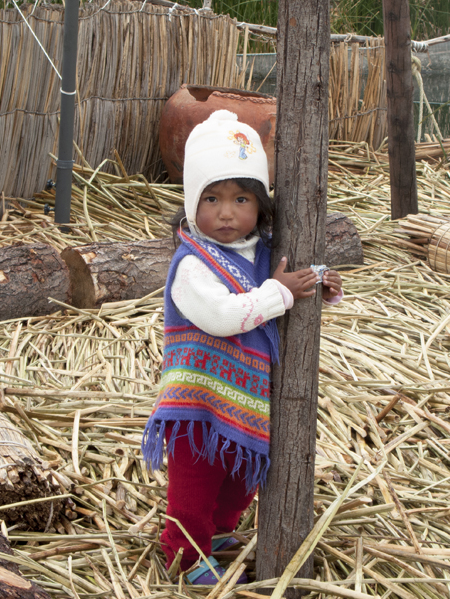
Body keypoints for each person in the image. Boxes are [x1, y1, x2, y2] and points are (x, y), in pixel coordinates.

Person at [142, 110, 343, 584]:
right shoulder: (192, 264)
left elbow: (286, 292)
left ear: (261, 204)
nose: (227, 212)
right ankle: (184, 557)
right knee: (193, 489)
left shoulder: (263, 250)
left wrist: (320, 286)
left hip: (245, 402)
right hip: (197, 405)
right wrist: (281, 291)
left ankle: (216, 535)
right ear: (191, 202)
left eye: (241, 197)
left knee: (239, 482)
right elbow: (224, 315)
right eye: (211, 198)